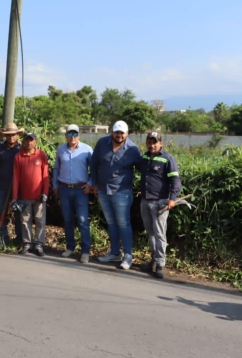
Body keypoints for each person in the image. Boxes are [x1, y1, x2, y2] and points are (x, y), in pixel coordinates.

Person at [90, 120, 142, 270]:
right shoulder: (102, 143)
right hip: (103, 190)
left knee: (123, 223)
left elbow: (143, 169)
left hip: (122, 192)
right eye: (116, 132)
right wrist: (94, 183)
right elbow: (94, 163)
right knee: (111, 223)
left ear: (127, 134)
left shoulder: (133, 149)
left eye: (122, 133)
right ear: (112, 132)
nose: (119, 135)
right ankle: (114, 253)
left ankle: (128, 256)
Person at [136, 132, 181, 279]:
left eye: (155, 142)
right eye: (149, 142)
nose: (152, 145)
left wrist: (172, 199)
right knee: (151, 233)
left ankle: (160, 263)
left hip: (160, 202)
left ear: (161, 143)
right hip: (145, 201)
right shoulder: (144, 157)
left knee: (160, 234)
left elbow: (175, 180)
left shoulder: (167, 158)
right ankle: (154, 260)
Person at [53, 124, 93, 264]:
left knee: (82, 220)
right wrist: (55, 186)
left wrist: (90, 184)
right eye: (70, 134)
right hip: (64, 189)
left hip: (80, 190)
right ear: (66, 135)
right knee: (68, 220)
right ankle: (70, 247)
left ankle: (85, 251)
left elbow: (93, 169)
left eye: (75, 134)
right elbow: (56, 168)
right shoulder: (61, 150)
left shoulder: (87, 150)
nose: (72, 137)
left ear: (79, 135)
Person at [12, 132, 50, 256]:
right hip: (24, 196)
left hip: (39, 196)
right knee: (25, 221)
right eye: (27, 140)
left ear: (35, 142)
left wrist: (45, 192)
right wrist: (14, 197)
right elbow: (16, 178)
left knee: (40, 221)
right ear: (23, 142)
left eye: (31, 140)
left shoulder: (41, 155)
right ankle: (27, 244)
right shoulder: (19, 156)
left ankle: (39, 244)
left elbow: (45, 176)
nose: (29, 142)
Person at [0, 122, 23, 244]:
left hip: (18, 187)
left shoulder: (21, 149)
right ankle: (3, 237)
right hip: (2, 185)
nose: (11, 137)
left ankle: (20, 238)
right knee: (1, 211)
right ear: (6, 136)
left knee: (18, 213)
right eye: (9, 135)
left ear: (17, 135)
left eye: (13, 135)